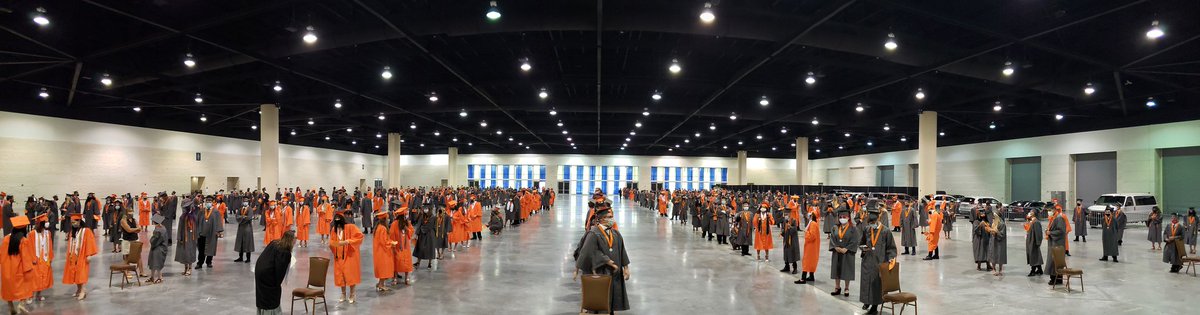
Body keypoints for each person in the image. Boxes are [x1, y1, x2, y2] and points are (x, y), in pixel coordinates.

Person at [573, 207, 631, 312]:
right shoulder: (593, 233)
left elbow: (622, 250)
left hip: (614, 273)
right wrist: (606, 260)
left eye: (612, 217)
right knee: (600, 301)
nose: (612, 219)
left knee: (612, 299)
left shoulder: (616, 234)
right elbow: (587, 252)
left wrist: (626, 267)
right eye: (609, 217)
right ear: (602, 219)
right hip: (601, 272)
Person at [858, 208, 896, 315]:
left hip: (880, 261)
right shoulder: (867, 229)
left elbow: (891, 248)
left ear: (878, 218)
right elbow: (861, 242)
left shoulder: (886, 231)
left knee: (876, 284)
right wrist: (862, 248)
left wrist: (891, 259)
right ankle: (866, 301)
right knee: (866, 282)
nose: (872, 224)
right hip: (867, 260)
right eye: (870, 222)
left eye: (873, 222)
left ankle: (874, 305)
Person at [255, 230, 296, 315]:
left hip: (259, 273)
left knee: (262, 297)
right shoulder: (285, 252)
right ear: (291, 240)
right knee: (271, 298)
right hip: (268, 277)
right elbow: (280, 272)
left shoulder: (274, 243)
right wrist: (277, 285)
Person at [1, 216, 34, 314]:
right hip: (18, 270)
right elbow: (26, 258)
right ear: (24, 229)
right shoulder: (23, 240)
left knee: (8, 289)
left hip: (7, 269)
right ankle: (21, 304)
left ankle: (11, 307)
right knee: (24, 288)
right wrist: (29, 268)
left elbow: (2, 254)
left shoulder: (6, 239)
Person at [330, 211, 364, 303]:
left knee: (350, 275)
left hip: (349, 256)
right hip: (339, 256)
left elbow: (360, 236)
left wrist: (348, 241)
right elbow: (331, 242)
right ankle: (343, 293)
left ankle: (352, 294)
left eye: (339, 219)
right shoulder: (334, 230)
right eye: (335, 219)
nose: (337, 221)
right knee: (341, 276)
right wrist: (337, 245)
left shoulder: (350, 227)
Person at [63, 213, 97, 300]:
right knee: (75, 274)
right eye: (72, 222)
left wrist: (89, 255)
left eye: (74, 222)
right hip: (73, 256)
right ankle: (78, 290)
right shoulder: (73, 231)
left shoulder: (86, 231)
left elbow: (90, 242)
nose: (73, 224)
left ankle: (83, 291)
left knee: (81, 274)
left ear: (79, 221)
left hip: (82, 255)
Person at [829, 210, 857, 297]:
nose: (842, 219)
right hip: (837, 252)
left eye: (844, 217)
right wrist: (835, 247)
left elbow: (855, 240)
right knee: (836, 269)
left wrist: (847, 248)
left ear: (848, 218)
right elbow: (832, 238)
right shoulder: (835, 227)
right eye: (840, 217)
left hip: (847, 253)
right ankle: (837, 287)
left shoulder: (853, 228)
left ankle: (846, 288)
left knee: (847, 269)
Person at [196, 196, 224, 269]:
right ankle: (200, 263)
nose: (208, 202)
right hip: (202, 233)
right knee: (201, 249)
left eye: (210, 201)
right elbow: (197, 221)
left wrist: (219, 231)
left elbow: (219, 221)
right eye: (207, 201)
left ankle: (209, 262)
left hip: (212, 233)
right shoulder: (201, 211)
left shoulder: (215, 212)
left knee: (210, 248)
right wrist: (197, 231)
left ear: (212, 202)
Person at [794, 212, 821, 284]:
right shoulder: (813, 223)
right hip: (812, 246)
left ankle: (803, 278)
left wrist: (806, 233)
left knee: (806, 261)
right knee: (811, 261)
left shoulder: (812, 224)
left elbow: (812, 236)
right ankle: (811, 276)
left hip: (811, 246)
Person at [31, 215, 52, 302]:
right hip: (36, 258)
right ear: (41, 223)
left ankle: (39, 295)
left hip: (45, 258)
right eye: (46, 222)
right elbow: (30, 247)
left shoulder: (48, 233)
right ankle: (30, 296)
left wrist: (50, 258)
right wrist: (32, 258)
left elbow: (50, 246)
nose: (48, 223)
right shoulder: (32, 234)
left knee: (43, 277)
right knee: (34, 277)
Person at [371, 212, 395, 292]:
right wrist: (392, 243)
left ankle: (379, 283)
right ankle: (381, 284)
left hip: (378, 251)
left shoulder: (378, 227)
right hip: (383, 252)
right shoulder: (383, 229)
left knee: (381, 267)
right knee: (384, 268)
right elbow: (384, 242)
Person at [1045, 206, 1068, 286]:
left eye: (1050, 210)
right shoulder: (1054, 218)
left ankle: (1057, 279)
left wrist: (1051, 233)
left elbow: (1061, 231)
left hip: (1057, 243)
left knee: (1055, 261)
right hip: (1053, 242)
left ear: (1054, 210)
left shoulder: (1059, 218)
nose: (1049, 212)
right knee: (1052, 261)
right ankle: (1054, 278)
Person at [390, 209, 414, 285]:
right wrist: (394, 245)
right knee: (396, 262)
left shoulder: (407, 223)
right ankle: (395, 278)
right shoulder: (394, 224)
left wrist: (407, 229)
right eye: (405, 215)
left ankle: (407, 277)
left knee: (407, 262)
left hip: (406, 246)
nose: (406, 216)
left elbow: (411, 231)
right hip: (398, 246)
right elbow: (391, 234)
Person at [176, 197, 198, 276]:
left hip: (191, 238)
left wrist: (196, 237)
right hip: (184, 238)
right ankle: (185, 268)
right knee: (184, 253)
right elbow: (179, 228)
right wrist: (179, 238)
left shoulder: (194, 217)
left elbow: (196, 228)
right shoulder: (182, 217)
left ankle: (190, 268)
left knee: (190, 253)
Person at [986, 207, 1008, 276]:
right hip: (993, 241)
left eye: (994, 217)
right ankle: (993, 269)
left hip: (1000, 242)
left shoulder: (1002, 224)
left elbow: (1002, 234)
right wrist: (990, 230)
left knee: (1000, 255)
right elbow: (991, 231)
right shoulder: (993, 223)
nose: (993, 218)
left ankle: (1000, 270)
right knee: (993, 255)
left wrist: (994, 231)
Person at [148, 215, 168, 284]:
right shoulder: (163, 227)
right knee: (153, 263)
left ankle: (160, 277)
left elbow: (154, 241)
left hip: (158, 248)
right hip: (161, 247)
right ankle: (152, 277)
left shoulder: (158, 230)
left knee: (157, 263)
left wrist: (151, 241)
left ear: (154, 222)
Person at [1024, 212, 1044, 276]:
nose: (1029, 213)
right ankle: (1040, 269)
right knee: (1035, 255)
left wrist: (1038, 242)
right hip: (1030, 240)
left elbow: (1038, 233)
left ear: (1034, 214)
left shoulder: (1036, 222)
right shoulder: (1031, 221)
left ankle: (1033, 270)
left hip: (1034, 241)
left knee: (1034, 255)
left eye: (1031, 212)